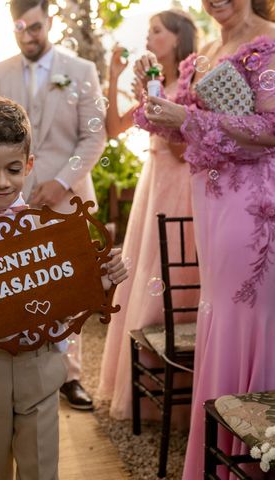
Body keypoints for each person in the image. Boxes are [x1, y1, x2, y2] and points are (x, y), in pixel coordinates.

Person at [133, 0, 275, 477]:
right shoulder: (205, 50)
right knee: (218, 315)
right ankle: (218, 452)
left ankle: (252, 458)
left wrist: (187, 119)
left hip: (254, 205)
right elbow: (179, 137)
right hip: (210, 199)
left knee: (243, 319)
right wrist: (153, 101)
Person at [0, 97, 128, 480]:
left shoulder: (50, 230)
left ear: (29, 165)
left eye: (13, 169)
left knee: (41, 469)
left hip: (41, 365)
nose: (1, 182)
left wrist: (107, 275)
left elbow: (73, 294)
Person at [0, 0, 106, 410]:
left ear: (49, 22)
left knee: (68, 286)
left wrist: (61, 182)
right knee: (17, 281)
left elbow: (94, 137)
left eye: (35, 27)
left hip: (66, 200)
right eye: (20, 29)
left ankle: (70, 377)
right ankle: (20, 369)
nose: (28, 36)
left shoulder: (81, 71)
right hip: (7, 200)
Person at [97, 9, 199, 423]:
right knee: (143, 275)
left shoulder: (190, 84)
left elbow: (182, 150)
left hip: (180, 187)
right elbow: (113, 128)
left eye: (157, 31)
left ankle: (179, 387)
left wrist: (158, 108)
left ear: (177, 39)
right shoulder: (155, 83)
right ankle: (143, 386)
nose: (149, 36)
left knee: (173, 280)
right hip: (152, 184)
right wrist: (116, 77)